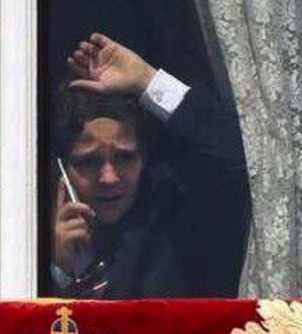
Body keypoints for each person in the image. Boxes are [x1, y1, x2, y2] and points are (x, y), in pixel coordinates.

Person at [51, 33, 251, 299]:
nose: (109, 178)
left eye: (124, 158)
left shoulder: (172, 223)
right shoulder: (24, 232)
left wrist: (147, 80)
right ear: (61, 167)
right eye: (89, 161)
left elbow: (243, 160)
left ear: (143, 156)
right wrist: (58, 273)